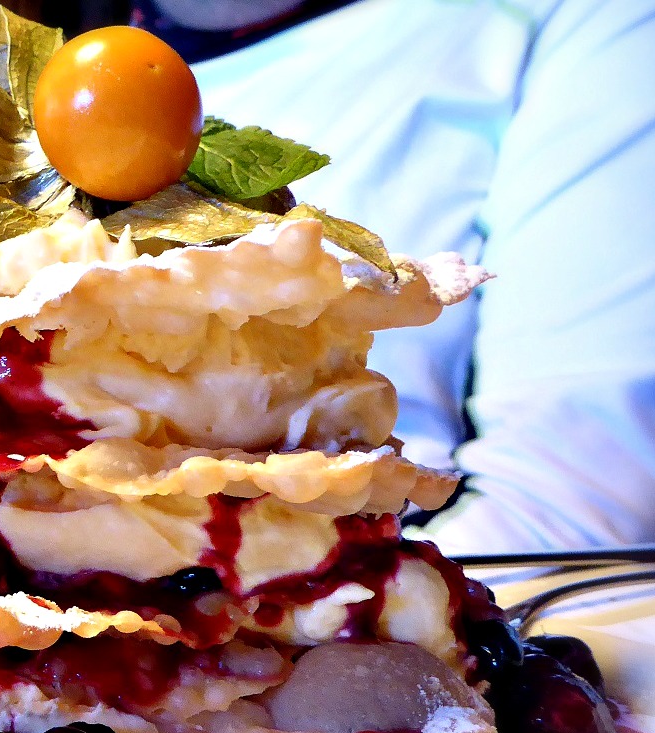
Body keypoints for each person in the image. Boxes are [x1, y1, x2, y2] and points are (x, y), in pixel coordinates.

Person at [130, 0, 655, 554]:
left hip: (402, 563)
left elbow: (579, 494)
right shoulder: (70, 61)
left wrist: (364, 596)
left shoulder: (570, 18)